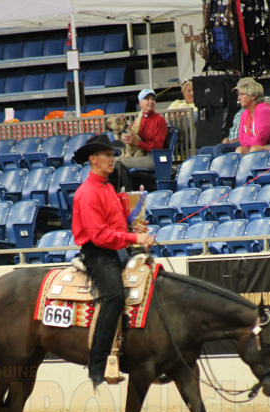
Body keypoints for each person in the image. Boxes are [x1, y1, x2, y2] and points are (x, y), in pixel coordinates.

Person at [72, 134, 155, 388]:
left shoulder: (107, 187)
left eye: (112, 155)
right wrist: (135, 237)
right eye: (107, 155)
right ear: (93, 159)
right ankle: (97, 364)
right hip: (97, 253)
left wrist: (134, 228)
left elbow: (114, 226)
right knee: (114, 297)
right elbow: (99, 236)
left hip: (115, 249)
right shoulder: (87, 193)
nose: (112, 159)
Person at [119, 89, 168, 170]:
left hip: (153, 157)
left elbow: (158, 147)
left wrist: (137, 143)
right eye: (147, 99)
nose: (151, 101)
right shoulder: (138, 120)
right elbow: (128, 134)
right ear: (140, 103)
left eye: (153, 99)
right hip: (139, 154)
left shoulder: (159, 120)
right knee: (116, 162)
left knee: (118, 163)